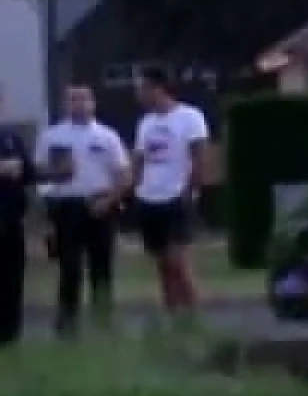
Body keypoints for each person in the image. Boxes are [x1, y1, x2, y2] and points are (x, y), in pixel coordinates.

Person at [36, 83, 131, 336]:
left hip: (100, 205)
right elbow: (40, 174)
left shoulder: (107, 136)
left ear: (93, 103)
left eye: (83, 99)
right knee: (70, 266)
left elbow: (122, 174)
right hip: (66, 207)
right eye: (73, 99)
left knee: (102, 266)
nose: (78, 104)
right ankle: (67, 324)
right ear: (66, 104)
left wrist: (110, 200)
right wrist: (47, 204)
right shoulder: (52, 136)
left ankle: (104, 321)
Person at [130, 65, 209, 322]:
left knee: (179, 261)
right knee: (162, 264)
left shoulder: (189, 117)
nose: (138, 95)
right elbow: (140, 160)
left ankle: (194, 315)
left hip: (176, 196)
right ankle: (173, 315)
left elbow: (199, 156)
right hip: (150, 198)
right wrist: (135, 189)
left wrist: (191, 189)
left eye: (141, 89)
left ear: (157, 88)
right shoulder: (146, 123)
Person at [0, 83, 33, 347]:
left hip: (10, 220)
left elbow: (30, 173)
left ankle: (11, 336)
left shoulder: (12, 137)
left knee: (12, 279)